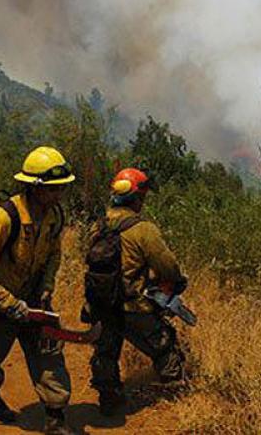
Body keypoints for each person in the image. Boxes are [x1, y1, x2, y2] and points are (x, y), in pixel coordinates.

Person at [0, 146, 76, 434]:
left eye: (62, 188)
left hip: (34, 302)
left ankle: (55, 418)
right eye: (54, 189)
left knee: (49, 357)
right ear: (34, 187)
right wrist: (8, 302)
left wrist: (47, 286)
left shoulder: (55, 216)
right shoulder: (3, 218)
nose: (59, 194)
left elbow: (54, 253)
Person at [82, 167, 187, 416]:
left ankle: (109, 398)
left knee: (105, 352)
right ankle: (173, 393)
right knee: (165, 344)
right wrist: (174, 283)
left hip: (102, 304)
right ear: (137, 198)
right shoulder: (143, 230)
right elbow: (168, 267)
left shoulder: (99, 225)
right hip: (133, 307)